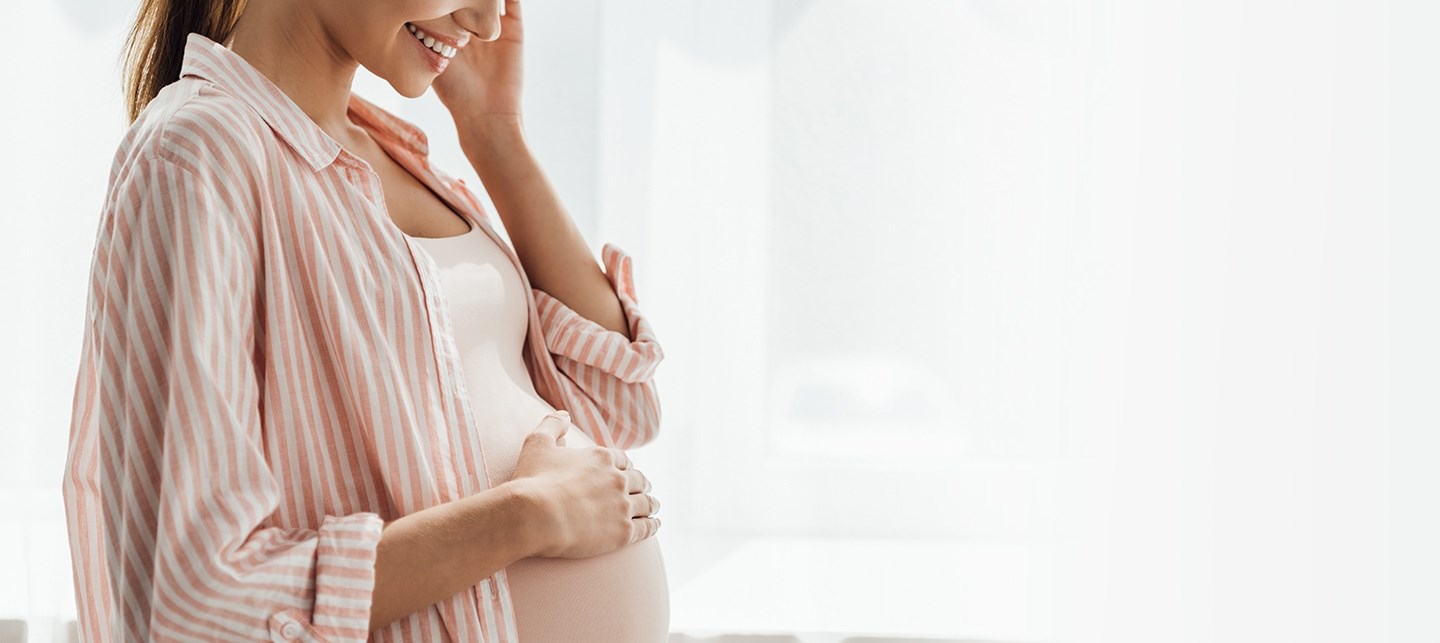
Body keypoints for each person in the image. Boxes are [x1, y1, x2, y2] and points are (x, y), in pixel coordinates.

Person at [60, 0, 669, 640]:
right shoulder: (199, 155)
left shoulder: (383, 153)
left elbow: (614, 407)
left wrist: (495, 132)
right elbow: (197, 598)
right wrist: (525, 517)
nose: (489, 23)